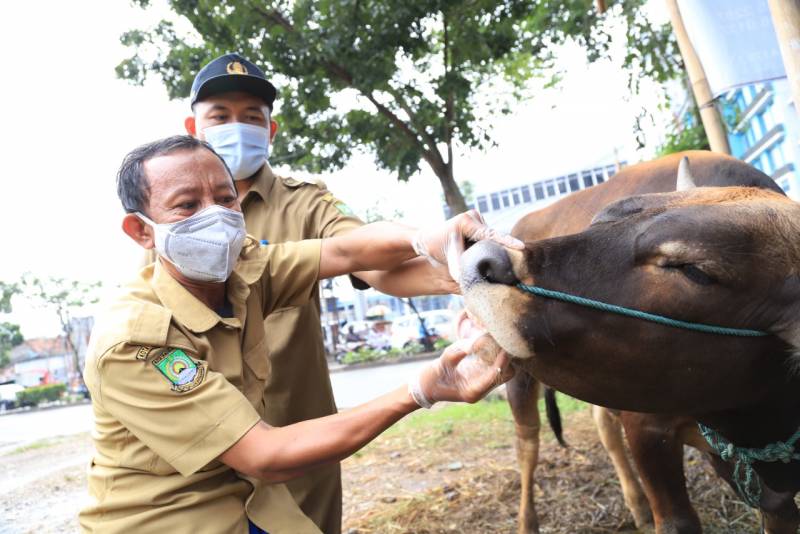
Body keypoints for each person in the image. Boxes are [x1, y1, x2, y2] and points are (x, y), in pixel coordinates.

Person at [81, 135, 517, 533]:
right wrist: (422, 390)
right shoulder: (135, 343)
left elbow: (346, 250)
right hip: (165, 517)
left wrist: (427, 238)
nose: (214, 216)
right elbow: (264, 455)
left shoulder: (243, 271)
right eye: (187, 206)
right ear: (141, 230)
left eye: (224, 198)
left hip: (252, 500)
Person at [156, 52, 473, 532]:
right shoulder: (166, 212)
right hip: (207, 430)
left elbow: (366, 258)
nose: (236, 127)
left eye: (252, 117)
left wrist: (463, 270)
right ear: (193, 126)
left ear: (271, 129)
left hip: (301, 428)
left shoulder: (304, 200)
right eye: (220, 116)